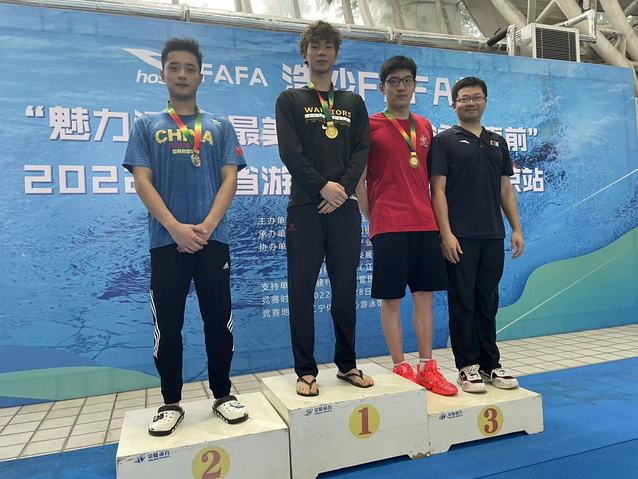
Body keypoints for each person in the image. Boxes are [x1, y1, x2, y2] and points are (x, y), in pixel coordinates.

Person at [123, 37, 248, 435]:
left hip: (214, 240)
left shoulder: (219, 126)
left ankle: (223, 395)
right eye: (174, 67)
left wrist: (207, 226)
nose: (182, 74)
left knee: (218, 320)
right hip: (167, 242)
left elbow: (230, 179)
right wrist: (175, 227)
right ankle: (170, 402)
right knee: (169, 325)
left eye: (189, 68)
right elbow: (142, 181)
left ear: (200, 76)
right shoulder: (146, 126)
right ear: (162, 73)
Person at [275, 20, 374, 397]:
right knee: (301, 290)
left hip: (344, 209)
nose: (321, 52)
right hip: (306, 206)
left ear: (336, 54)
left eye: (328, 46)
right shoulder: (289, 101)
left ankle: (347, 364)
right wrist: (322, 187)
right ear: (305, 54)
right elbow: (290, 153)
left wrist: (342, 189)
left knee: (345, 288)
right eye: (314, 46)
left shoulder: (353, 103)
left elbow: (361, 151)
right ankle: (305, 371)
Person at [356, 56, 457, 396]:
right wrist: (374, 217)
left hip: (424, 223)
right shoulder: (369, 125)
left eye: (407, 81)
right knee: (392, 299)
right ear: (382, 87)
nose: (401, 87)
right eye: (394, 81)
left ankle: (427, 367)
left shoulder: (424, 126)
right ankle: (401, 366)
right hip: (389, 226)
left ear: (414, 86)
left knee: (425, 297)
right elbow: (359, 180)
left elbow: (432, 181)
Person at [429, 76, 524, 393]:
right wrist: (446, 234)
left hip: (493, 236)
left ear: (485, 101)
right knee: (463, 303)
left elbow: (505, 188)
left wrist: (516, 228)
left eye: (477, 97)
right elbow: (437, 191)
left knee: (487, 301)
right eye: (464, 98)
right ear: (453, 104)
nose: (471, 102)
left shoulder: (497, 142)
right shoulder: (445, 141)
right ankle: (466, 366)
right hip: (460, 238)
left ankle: (490, 364)